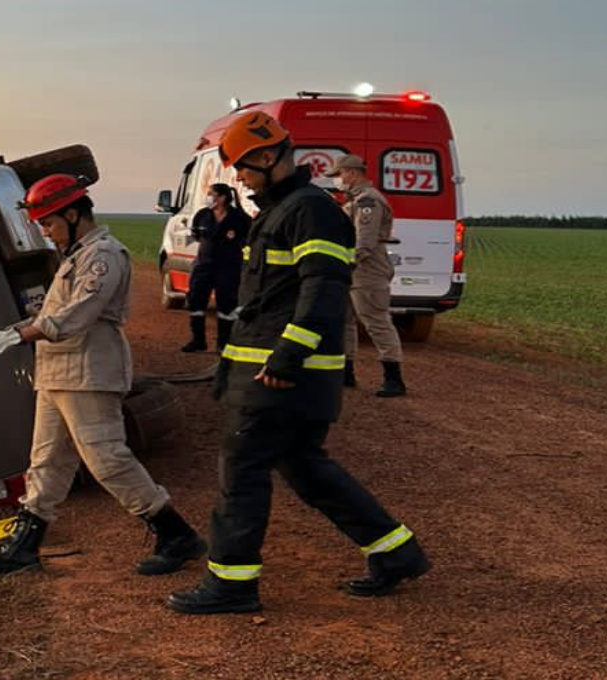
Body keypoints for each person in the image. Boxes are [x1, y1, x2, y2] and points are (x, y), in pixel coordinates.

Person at [166, 112, 429, 615]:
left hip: (281, 377)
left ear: (267, 157)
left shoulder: (311, 211)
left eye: (241, 168)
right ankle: (396, 553)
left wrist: (290, 356)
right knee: (306, 469)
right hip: (274, 373)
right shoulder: (284, 209)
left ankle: (232, 584)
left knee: (242, 471)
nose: (237, 179)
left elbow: (324, 289)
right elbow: (273, 298)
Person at [0, 174, 205, 577]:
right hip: (56, 374)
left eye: (48, 222)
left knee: (107, 460)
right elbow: (53, 315)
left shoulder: (104, 255)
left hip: (88, 374)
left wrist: (16, 334)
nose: (45, 232)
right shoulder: (76, 256)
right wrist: (25, 323)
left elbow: (75, 317)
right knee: (46, 462)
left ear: (74, 213)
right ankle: (25, 548)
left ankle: (175, 533)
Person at [326, 154, 407, 397]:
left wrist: (346, 263)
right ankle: (346, 372)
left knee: (376, 322)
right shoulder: (356, 200)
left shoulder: (368, 201)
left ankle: (394, 379)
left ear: (352, 172)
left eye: (340, 175)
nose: (339, 180)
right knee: (345, 322)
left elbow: (365, 242)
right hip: (354, 268)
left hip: (366, 269)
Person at [181, 183, 251, 353]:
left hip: (228, 267)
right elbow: (197, 236)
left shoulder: (239, 218)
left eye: (211, 194)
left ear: (222, 198)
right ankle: (198, 340)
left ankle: (224, 344)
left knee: (226, 305)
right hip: (203, 266)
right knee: (196, 300)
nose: (209, 197)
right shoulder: (203, 215)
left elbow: (249, 238)